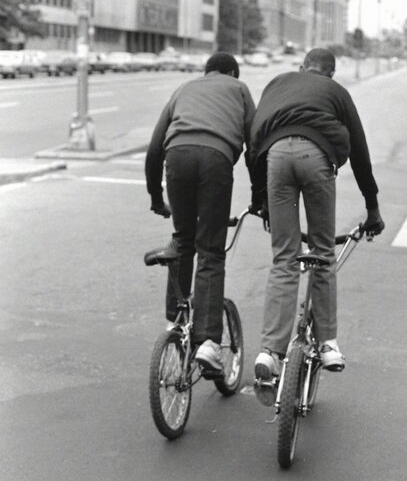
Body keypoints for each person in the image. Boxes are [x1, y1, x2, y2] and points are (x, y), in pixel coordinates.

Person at [248, 47, 384, 385]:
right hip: (316, 155)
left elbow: (253, 137)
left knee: (284, 257)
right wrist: (372, 205)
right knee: (323, 252)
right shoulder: (336, 92)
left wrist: (260, 198)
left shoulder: (278, 82)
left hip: (275, 156)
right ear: (331, 74)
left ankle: (270, 351)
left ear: (302, 67)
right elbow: (360, 149)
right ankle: (327, 344)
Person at [145, 52, 255, 373]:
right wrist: (260, 196)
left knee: (182, 238)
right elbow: (255, 144)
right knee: (210, 250)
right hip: (216, 159)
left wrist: (156, 197)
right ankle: (208, 341)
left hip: (176, 156)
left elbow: (154, 150)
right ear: (233, 72)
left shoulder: (183, 89)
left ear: (205, 72)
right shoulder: (239, 89)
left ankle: (175, 324)